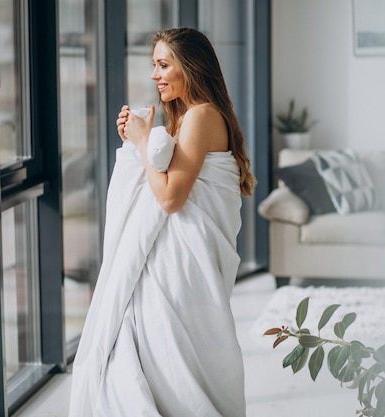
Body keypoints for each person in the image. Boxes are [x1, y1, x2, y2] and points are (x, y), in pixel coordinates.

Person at [68, 27, 256, 417]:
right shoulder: (189, 117)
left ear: (190, 68)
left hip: (181, 261)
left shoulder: (202, 116)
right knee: (159, 359)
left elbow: (170, 198)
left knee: (171, 358)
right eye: (153, 64)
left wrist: (142, 143)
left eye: (163, 64)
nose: (154, 74)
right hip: (175, 258)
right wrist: (138, 141)